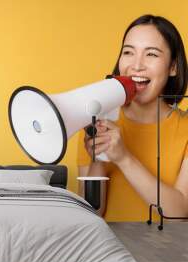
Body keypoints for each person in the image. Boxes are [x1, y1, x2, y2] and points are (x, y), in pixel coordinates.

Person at [77, 14, 188, 221]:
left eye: (151, 54)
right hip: (111, 251)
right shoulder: (93, 121)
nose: (137, 65)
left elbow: (179, 213)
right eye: (128, 52)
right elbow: (91, 214)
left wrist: (123, 158)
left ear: (173, 67)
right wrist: (99, 157)